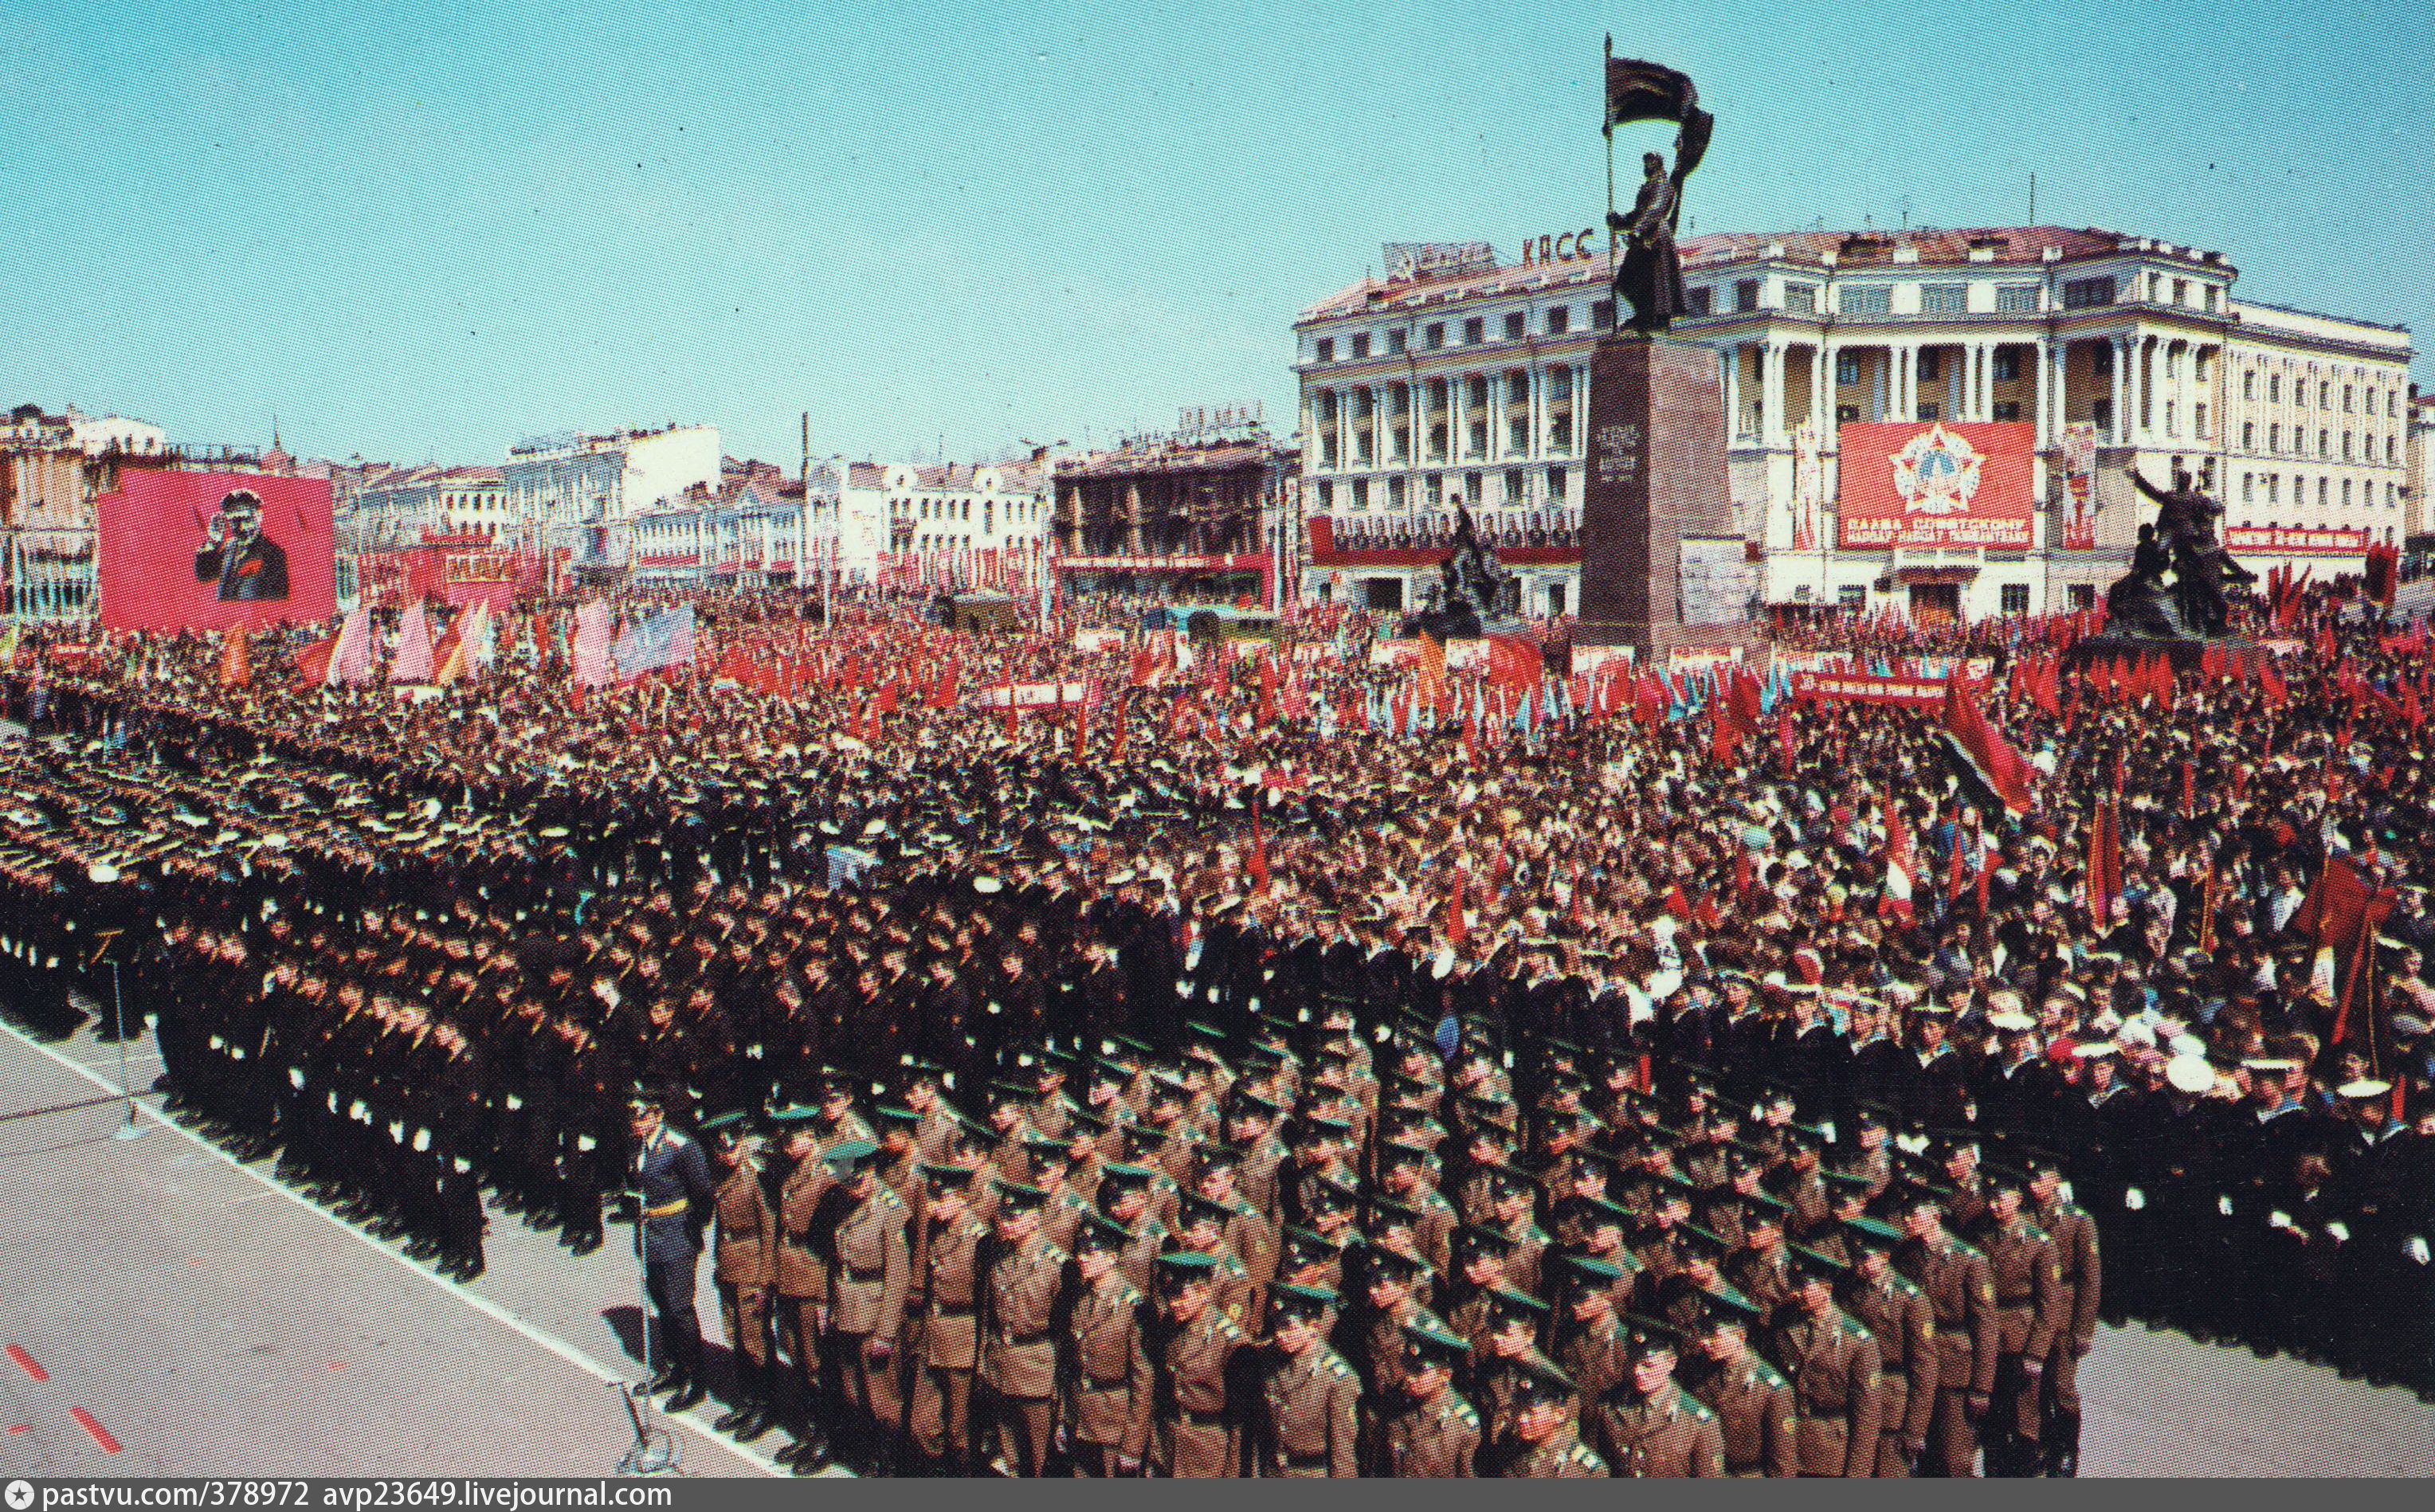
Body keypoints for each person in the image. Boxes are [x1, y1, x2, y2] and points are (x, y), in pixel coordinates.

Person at [625, 1091, 716, 1413]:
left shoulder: (681, 1146)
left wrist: (693, 1229)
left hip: (678, 1232)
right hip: (651, 1232)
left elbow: (704, 1192)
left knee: (679, 1306)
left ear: (658, 1115)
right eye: (634, 1118)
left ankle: (695, 1378)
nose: (637, 1124)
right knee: (661, 1302)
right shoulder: (638, 1143)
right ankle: (673, 1368)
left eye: (643, 1117)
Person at [704, 1109, 780, 1443]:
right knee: (735, 1336)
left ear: (743, 1143)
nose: (726, 1156)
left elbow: (769, 1232)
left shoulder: (755, 1178)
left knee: (756, 1342)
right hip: (730, 1266)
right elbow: (721, 1228)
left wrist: (765, 1281)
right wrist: (720, 1267)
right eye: (721, 1150)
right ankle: (747, 1400)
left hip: (752, 1269)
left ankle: (765, 1407)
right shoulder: (723, 1175)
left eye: (731, 1149)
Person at [1605, 151, 1684, 335]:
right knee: (1627, 281)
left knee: (1656, 281)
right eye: (1645, 162)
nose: (1646, 165)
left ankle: (1656, 319)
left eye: (1650, 162)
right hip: (1642, 237)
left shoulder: (1663, 184)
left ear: (1658, 163)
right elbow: (1638, 213)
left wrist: (1638, 230)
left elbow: (1655, 210)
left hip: (1655, 237)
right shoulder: (1649, 185)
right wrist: (1619, 220)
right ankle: (1644, 315)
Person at [193, 488, 290, 601]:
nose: (242, 528)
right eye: (234, 521)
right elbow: (205, 576)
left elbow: (279, 597)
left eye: (247, 520)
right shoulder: (230, 546)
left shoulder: (273, 553)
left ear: (259, 516)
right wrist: (213, 542)